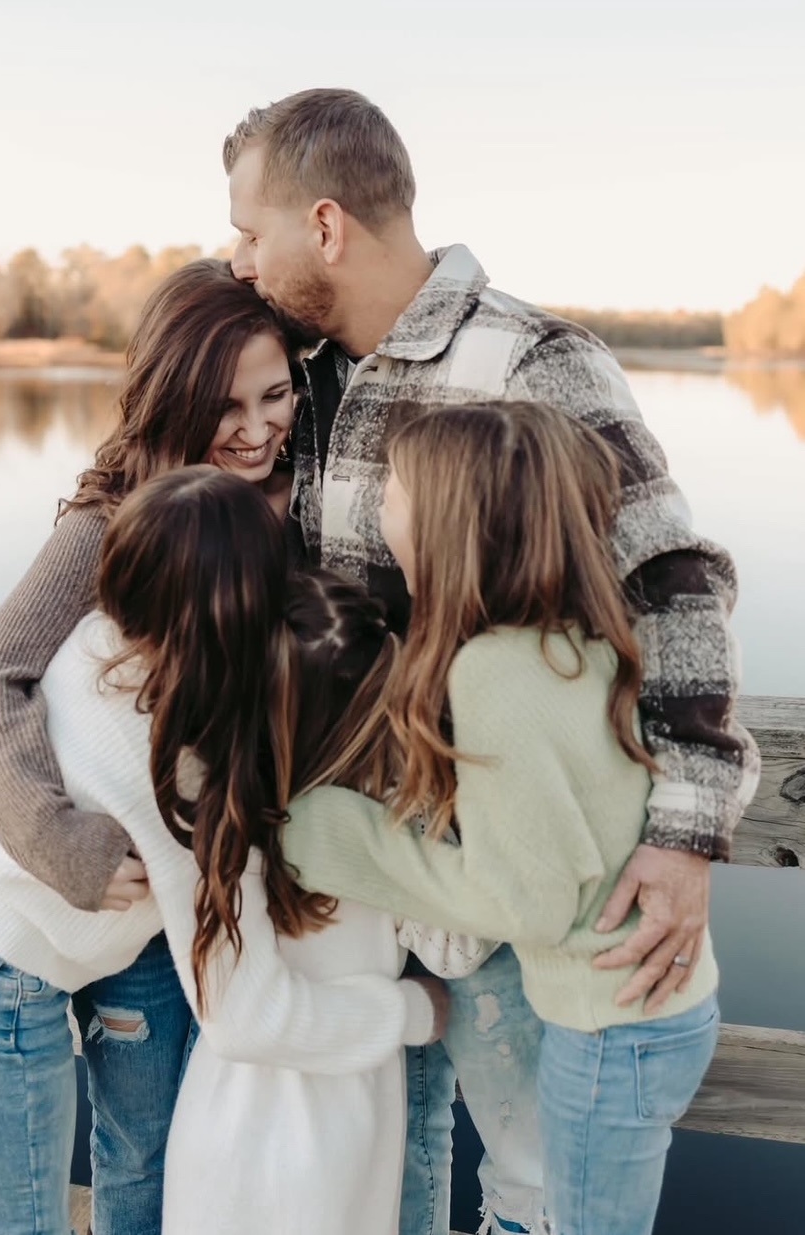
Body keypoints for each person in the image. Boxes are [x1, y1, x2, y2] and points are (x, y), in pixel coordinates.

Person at [222, 87, 759, 1235]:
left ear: (324, 227)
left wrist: (684, 825)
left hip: (506, 880)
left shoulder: (533, 361)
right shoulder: (296, 378)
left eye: (249, 229)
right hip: (356, 875)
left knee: (530, 1188)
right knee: (380, 1161)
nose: (237, 259)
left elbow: (673, 582)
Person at [0, 467, 459, 1235]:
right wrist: (406, 1009)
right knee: (17, 1213)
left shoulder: (97, 642)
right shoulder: (180, 768)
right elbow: (240, 1003)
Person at [284, 402, 722, 1235]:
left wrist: (328, 835)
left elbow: (526, 901)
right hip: (646, 1015)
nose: (380, 511)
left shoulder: (491, 675)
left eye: (397, 495)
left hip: (611, 1030)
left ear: (455, 524)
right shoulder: (572, 641)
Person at [0, 258, 300, 1235]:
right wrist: (59, 841)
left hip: (170, 919)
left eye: (276, 394)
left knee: (145, 1143)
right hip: (91, 882)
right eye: (227, 405)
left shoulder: (300, 513)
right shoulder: (116, 524)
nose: (258, 427)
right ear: (175, 400)